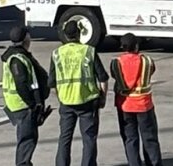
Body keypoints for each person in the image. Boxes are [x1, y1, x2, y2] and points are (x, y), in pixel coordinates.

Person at [49, 21, 108, 166]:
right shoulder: (88, 51)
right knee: (88, 138)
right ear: (79, 33)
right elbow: (103, 78)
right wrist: (103, 98)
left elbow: (52, 83)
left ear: (65, 35)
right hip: (87, 102)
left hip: (66, 102)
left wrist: (61, 97)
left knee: (64, 138)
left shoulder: (56, 54)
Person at [110, 34, 163, 166]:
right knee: (149, 138)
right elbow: (152, 70)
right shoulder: (147, 61)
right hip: (144, 105)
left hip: (124, 106)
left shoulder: (116, 62)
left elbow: (114, 75)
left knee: (130, 139)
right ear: (137, 46)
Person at [2, 26, 50, 166]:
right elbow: (21, 83)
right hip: (22, 106)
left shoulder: (19, 55)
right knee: (26, 140)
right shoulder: (17, 59)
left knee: (28, 139)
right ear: (25, 39)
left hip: (21, 105)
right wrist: (33, 104)